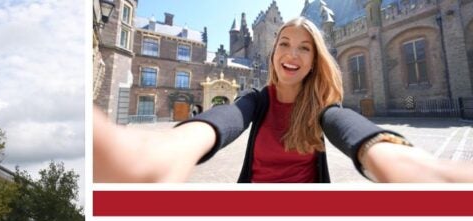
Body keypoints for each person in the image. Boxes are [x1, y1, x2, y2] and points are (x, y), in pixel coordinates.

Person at [93, 17, 473, 183]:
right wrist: (175, 145)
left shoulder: (322, 108)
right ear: (273, 52)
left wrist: (391, 155)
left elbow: (347, 127)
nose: (292, 54)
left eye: (304, 48)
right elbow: (229, 117)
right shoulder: (257, 100)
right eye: (284, 44)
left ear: (314, 60)